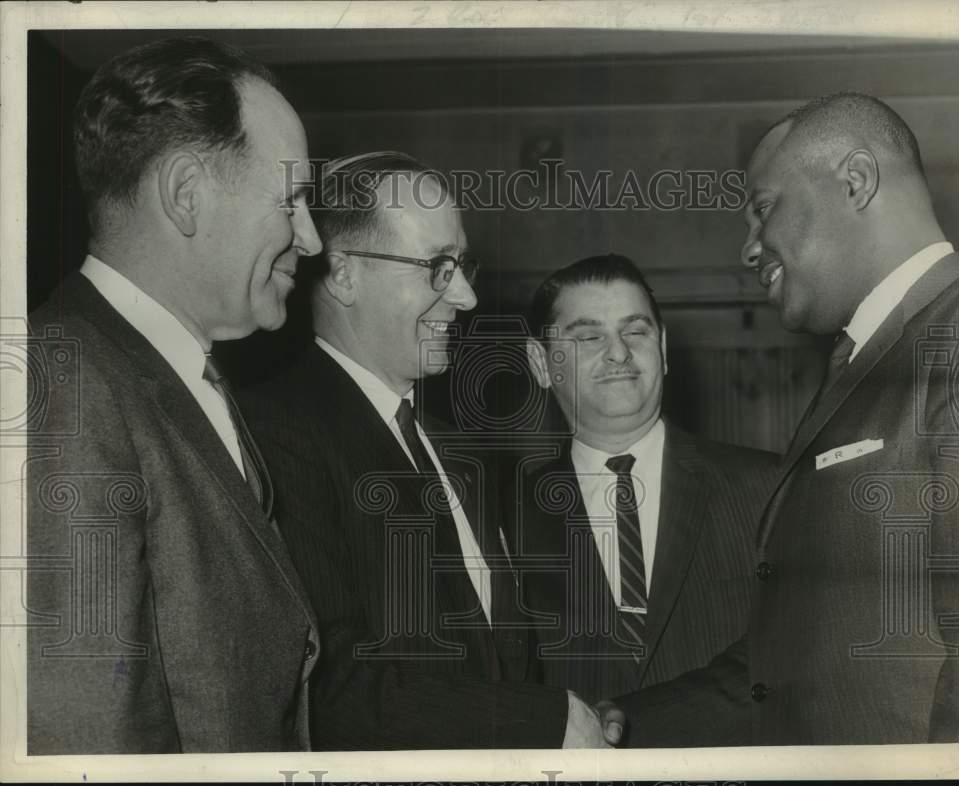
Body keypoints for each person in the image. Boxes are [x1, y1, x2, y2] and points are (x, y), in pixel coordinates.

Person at [240, 151, 624, 750]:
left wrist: (574, 713)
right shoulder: (273, 437)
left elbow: (495, 660)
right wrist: (545, 720)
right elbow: (328, 690)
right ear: (343, 274)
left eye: (462, 264)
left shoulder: (459, 449)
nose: (466, 296)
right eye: (438, 267)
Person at [619, 92, 959, 745]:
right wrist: (616, 723)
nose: (748, 249)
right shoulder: (863, 357)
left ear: (856, 181)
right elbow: (786, 661)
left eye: (763, 209)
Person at [27, 37, 324, 753]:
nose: (312, 240)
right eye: (291, 200)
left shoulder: (175, 372)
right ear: (187, 194)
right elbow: (86, 733)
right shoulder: (63, 382)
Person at [509, 254, 775, 745]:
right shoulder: (502, 518)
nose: (618, 353)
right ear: (541, 363)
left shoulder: (768, 487)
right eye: (588, 337)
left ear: (663, 348)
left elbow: (790, 654)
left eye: (635, 331)